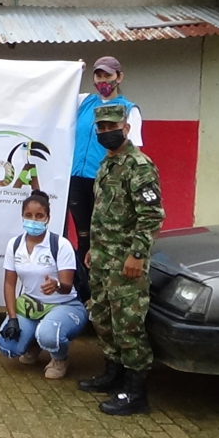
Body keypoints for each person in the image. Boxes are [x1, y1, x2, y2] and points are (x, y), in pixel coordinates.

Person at [78, 104, 164, 416]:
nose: (106, 132)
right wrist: (93, 247)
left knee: (128, 326)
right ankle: (113, 374)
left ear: (125, 128)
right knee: (102, 318)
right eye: (100, 128)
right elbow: (104, 213)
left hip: (127, 263)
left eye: (111, 127)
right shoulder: (108, 164)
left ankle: (136, 392)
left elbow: (152, 216)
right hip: (103, 259)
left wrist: (137, 254)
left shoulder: (138, 166)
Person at [0, 190, 87, 380]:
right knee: (7, 346)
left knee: (48, 335)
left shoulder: (60, 244)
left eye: (39, 216)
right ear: (22, 216)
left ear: (48, 218)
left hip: (64, 305)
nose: (33, 220)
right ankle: (34, 344)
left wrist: (56, 285)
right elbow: (9, 284)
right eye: (28, 215)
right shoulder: (14, 244)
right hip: (32, 306)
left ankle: (59, 359)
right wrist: (12, 318)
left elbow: (67, 286)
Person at [68, 56, 143, 278]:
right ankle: (85, 292)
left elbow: (134, 150)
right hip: (76, 179)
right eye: (98, 75)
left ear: (119, 77)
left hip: (105, 181)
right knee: (83, 237)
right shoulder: (83, 102)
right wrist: (72, 72)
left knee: (103, 237)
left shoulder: (128, 109)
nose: (103, 80)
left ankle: (104, 286)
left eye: (108, 75)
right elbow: (56, 91)